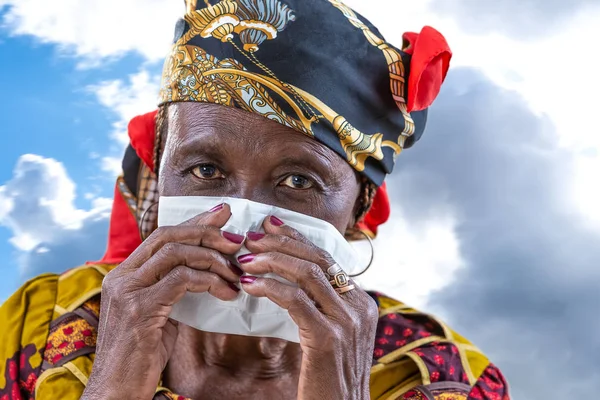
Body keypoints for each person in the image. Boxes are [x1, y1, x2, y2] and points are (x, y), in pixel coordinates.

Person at [0, 0, 510, 399]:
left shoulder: (439, 376)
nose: (238, 222)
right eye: (204, 170)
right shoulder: (42, 327)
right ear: (161, 174)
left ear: (357, 212)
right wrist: (112, 383)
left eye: (298, 182)